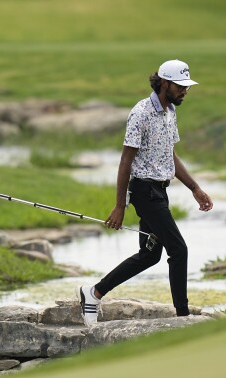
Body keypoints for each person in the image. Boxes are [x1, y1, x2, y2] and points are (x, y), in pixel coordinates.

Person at [76, 59, 214, 326]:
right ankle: (183, 317)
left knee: (150, 256)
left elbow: (170, 155)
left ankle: (93, 293)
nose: (185, 91)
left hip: (160, 192)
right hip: (144, 192)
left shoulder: (170, 111)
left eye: (187, 86)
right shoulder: (140, 113)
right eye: (180, 86)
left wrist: (195, 188)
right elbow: (125, 161)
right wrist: (120, 206)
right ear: (164, 83)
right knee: (179, 250)